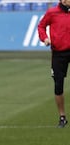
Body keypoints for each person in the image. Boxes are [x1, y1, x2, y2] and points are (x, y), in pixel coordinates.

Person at [38, 0, 70, 128]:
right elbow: (41, 26)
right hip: (59, 53)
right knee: (58, 85)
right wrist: (44, 38)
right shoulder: (52, 12)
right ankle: (62, 117)